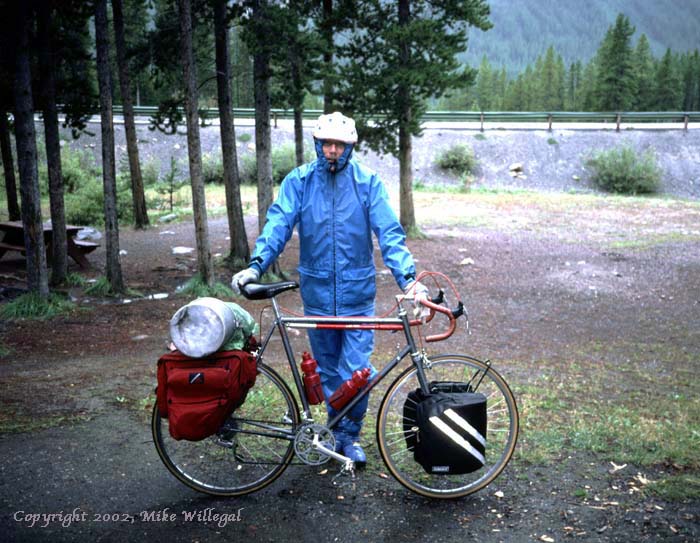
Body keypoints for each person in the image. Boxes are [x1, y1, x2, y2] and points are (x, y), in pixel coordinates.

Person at [232, 111, 427, 467]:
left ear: (351, 147)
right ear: (318, 145)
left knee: (356, 371)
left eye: (340, 145)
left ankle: (348, 438)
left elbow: (390, 234)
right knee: (327, 370)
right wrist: (256, 265)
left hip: (357, 296)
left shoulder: (367, 183)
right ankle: (331, 433)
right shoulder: (300, 182)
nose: (333, 151)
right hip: (318, 295)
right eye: (327, 144)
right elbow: (278, 224)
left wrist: (409, 280)